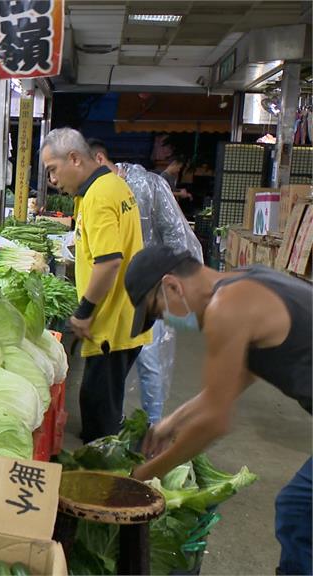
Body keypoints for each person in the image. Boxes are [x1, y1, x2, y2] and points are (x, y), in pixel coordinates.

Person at [125, 246, 311, 575]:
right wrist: (172, 422)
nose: (165, 321)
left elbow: (215, 420)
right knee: (299, 507)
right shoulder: (244, 281)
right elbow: (236, 380)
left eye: (158, 311)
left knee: (299, 510)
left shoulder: (226, 308)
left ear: (172, 286)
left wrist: (144, 476)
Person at [40, 128, 150, 442]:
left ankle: (105, 477)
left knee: (99, 413)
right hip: (127, 313)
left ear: (74, 158)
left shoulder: (98, 196)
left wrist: (84, 311)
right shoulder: (113, 184)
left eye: (53, 170)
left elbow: (110, 260)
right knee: (102, 400)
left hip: (111, 322)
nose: (53, 181)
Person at [88, 138, 204, 424]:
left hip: (153, 288)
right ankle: (117, 419)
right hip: (116, 291)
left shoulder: (149, 185)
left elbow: (178, 235)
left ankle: (152, 425)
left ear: (99, 159)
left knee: (150, 361)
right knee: (116, 360)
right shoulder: (96, 192)